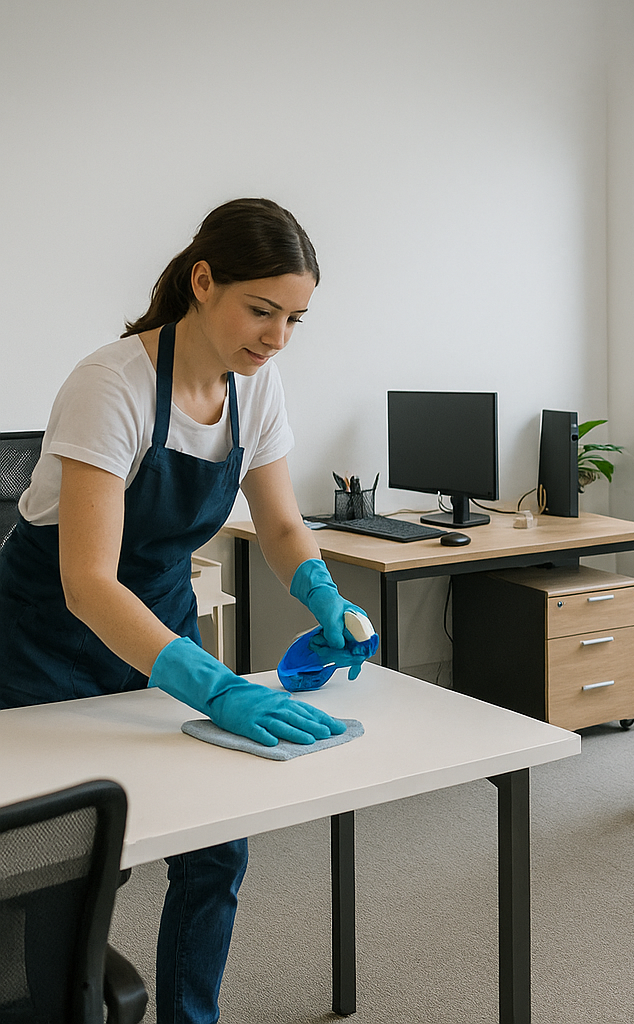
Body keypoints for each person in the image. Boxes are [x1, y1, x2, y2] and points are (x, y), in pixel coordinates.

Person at [0, 198, 372, 1022]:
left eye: (295, 319)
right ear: (203, 282)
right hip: (48, 645)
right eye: (261, 310)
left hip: (160, 626)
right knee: (69, 867)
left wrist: (321, 592)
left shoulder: (256, 384)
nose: (277, 337)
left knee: (216, 847)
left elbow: (278, 523)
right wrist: (218, 688)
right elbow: (89, 583)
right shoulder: (112, 384)